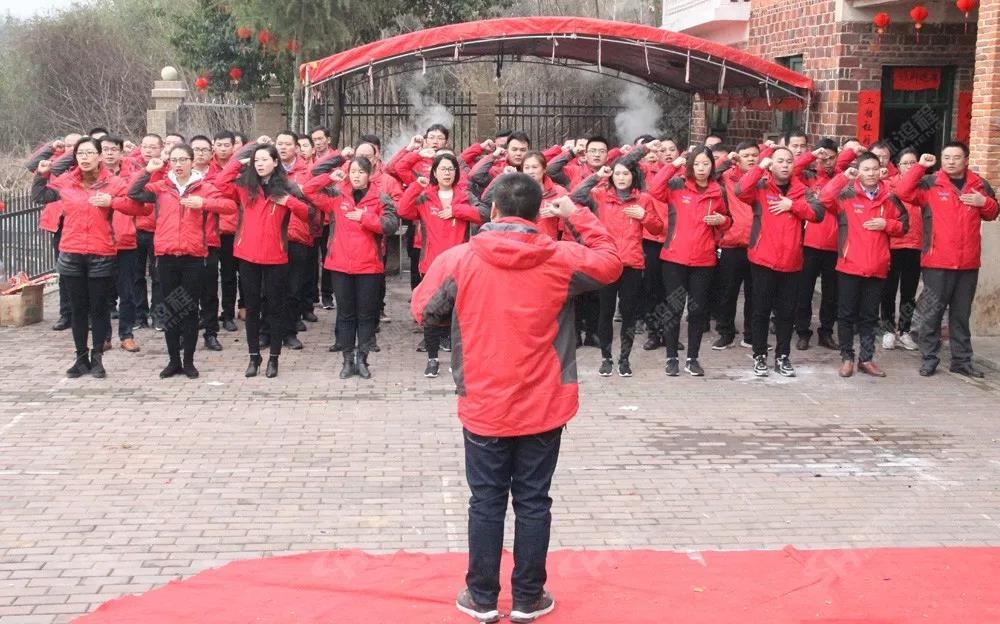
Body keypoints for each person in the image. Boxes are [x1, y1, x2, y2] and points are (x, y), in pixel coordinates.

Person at [411, 174, 622, 624]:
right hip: (543, 402)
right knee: (533, 501)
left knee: (485, 501)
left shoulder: (459, 260)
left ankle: (481, 596)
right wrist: (578, 214)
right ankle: (528, 596)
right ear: (535, 215)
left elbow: (423, 310)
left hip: (484, 401)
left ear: (492, 211)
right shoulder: (559, 258)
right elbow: (610, 261)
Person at [31, 138, 150, 378]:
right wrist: (41, 175)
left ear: (99, 156)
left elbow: (141, 208)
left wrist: (112, 201)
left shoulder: (114, 183)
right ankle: (80, 357)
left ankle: (97, 358)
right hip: (71, 252)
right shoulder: (66, 181)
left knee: (99, 308)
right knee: (78, 310)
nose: (84, 158)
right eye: (80, 154)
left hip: (101, 252)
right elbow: (40, 196)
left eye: (89, 153)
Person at [128, 144, 237, 379]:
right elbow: (133, 193)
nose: (178, 164)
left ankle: (188, 361)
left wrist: (204, 204)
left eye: (182, 160)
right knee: (170, 309)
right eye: (174, 160)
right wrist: (148, 170)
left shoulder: (204, 187)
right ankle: (173, 361)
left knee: (188, 309)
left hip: (193, 256)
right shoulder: (161, 187)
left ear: (191, 161)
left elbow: (229, 206)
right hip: (166, 255)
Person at [895, 143, 999, 378]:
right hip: (937, 261)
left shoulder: (979, 185)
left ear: (966, 160)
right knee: (932, 313)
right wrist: (920, 167)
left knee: (961, 315)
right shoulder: (931, 183)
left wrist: (985, 203)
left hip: (968, 263)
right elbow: (902, 192)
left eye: (956, 157)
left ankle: (961, 361)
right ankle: (929, 358)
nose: (951, 161)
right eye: (947, 157)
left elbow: (993, 213)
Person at [215, 141, 312, 379]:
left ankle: (274, 359)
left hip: (276, 257)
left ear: (276, 162)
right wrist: (243, 156)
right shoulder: (245, 187)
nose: (260, 164)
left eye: (265, 159)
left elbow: (308, 213)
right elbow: (219, 183)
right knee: (253, 308)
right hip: (247, 256)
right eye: (256, 160)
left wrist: (287, 201)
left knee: (275, 309)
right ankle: (253, 357)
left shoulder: (285, 188)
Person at [302, 156, 400, 379]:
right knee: (345, 315)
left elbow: (391, 226)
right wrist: (328, 178)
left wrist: (365, 217)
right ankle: (347, 359)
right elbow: (308, 191)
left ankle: (363, 359)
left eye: (361, 172)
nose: (356, 175)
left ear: (369, 174)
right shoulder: (336, 195)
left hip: (369, 266)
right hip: (340, 264)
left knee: (366, 315)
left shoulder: (381, 198)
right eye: (353, 171)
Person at [734, 148, 825, 377]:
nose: (785, 165)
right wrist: (759, 168)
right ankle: (759, 355)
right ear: (771, 165)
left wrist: (792, 206)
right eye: (780, 161)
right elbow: (739, 190)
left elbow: (818, 213)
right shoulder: (761, 187)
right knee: (760, 311)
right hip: (763, 259)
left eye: (788, 161)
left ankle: (783, 356)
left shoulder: (802, 190)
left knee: (786, 313)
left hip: (792, 260)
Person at [571, 158, 663, 377]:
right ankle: (606, 358)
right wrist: (598, 175)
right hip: (607, 262)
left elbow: (659, 227)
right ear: (612, 176)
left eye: (626, 174)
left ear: (634, 176)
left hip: (632, 263)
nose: (621, 178)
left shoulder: (643, 199)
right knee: (606, 312)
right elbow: (575, 196)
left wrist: (645, 216)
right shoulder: (601, 196)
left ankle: (624, 359)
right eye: (618, 174)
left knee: (629, 313)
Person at [819, 153, 908, 378]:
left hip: (877, 266)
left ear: (881, 170)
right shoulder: (847, 196)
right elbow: (824, 199)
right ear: (858, 171)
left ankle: (866, 359)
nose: (870, 173)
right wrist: (842, 177)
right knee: (846, 314)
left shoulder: (889, 197)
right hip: (849, 265)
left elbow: (904, 225)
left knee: (869, 317)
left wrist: (887, 224)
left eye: (874, 169)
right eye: (865, 169)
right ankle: (847, 357)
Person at [398, 153, 485, 377]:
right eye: (443, 169)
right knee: (431, 313)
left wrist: (457, 211)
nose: (447, 173)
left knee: (460, 315)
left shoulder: (465, 195)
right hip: (432, 266)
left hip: (461, 266)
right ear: (434, 172)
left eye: (451, 169)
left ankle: (457, 360)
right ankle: (432, 359)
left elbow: (484, 214)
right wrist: (416, 187)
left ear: (456, 173)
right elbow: (402, 210)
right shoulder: (425, 197)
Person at [647, 147, 732, 376]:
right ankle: (672, 357)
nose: (702, 169)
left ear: (712, 167)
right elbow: (654, 188)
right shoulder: (677, 186)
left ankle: (692, 358)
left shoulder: (717, 190)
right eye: (697, 164)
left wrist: (721, 219)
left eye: (706, 164)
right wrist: (674, 164)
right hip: (674, 257)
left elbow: (727, 221)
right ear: (690, 166)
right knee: (674, 308)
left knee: (698, 310)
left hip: (704, 260)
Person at [27, 133, 82, 331]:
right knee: (63, 272)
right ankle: (65, 313)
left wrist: (74, 151)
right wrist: (51, 146)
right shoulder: (54, 163)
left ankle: (83, 314)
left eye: (73, 147)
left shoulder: (82, 166)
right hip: (59, 224)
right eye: (66, 145)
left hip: (79, 222)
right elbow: (32, 165)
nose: (69, 150)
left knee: (83, 274)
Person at [712, 141, 759, 350]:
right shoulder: (725, 177)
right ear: (737, 157)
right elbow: (709, 172)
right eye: (746, 155)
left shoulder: (763, 179)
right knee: (727, 292)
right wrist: (725, 159)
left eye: (754, 155)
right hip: (731, 242)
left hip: (757, 244)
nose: (751, 158)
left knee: (754, 293)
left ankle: (751, 335)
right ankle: (725, 332)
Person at [880, 148, 921, 351]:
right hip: (893, 243)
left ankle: (904, 330)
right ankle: (888, 329)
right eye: (905, 163)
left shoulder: (924, 185)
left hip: (915, 245)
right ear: (898, 165)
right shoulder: (889, 184)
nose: (910, 166)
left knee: (908, 292)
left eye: (913, 162)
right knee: (888, 290)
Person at [132, 133, 165, 330]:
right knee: (136, 275)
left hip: (159, 230)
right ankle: (139, 315)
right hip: (135, 229)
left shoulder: (167, 169)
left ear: (161, 148)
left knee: (159, 275)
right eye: (145, 146)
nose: (148, 150)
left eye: (153, 147)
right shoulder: (133, 168)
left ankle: (159, 315)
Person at [212, 131, 241, 334]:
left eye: (226, 145)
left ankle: (229, 313)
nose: (223, 148)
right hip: (212, 231)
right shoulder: (204, 169)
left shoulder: (241, 168)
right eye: (219, 145)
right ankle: (209, 315)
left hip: (234, 229)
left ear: (233, 147)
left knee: (230, 275)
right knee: (210, 277)